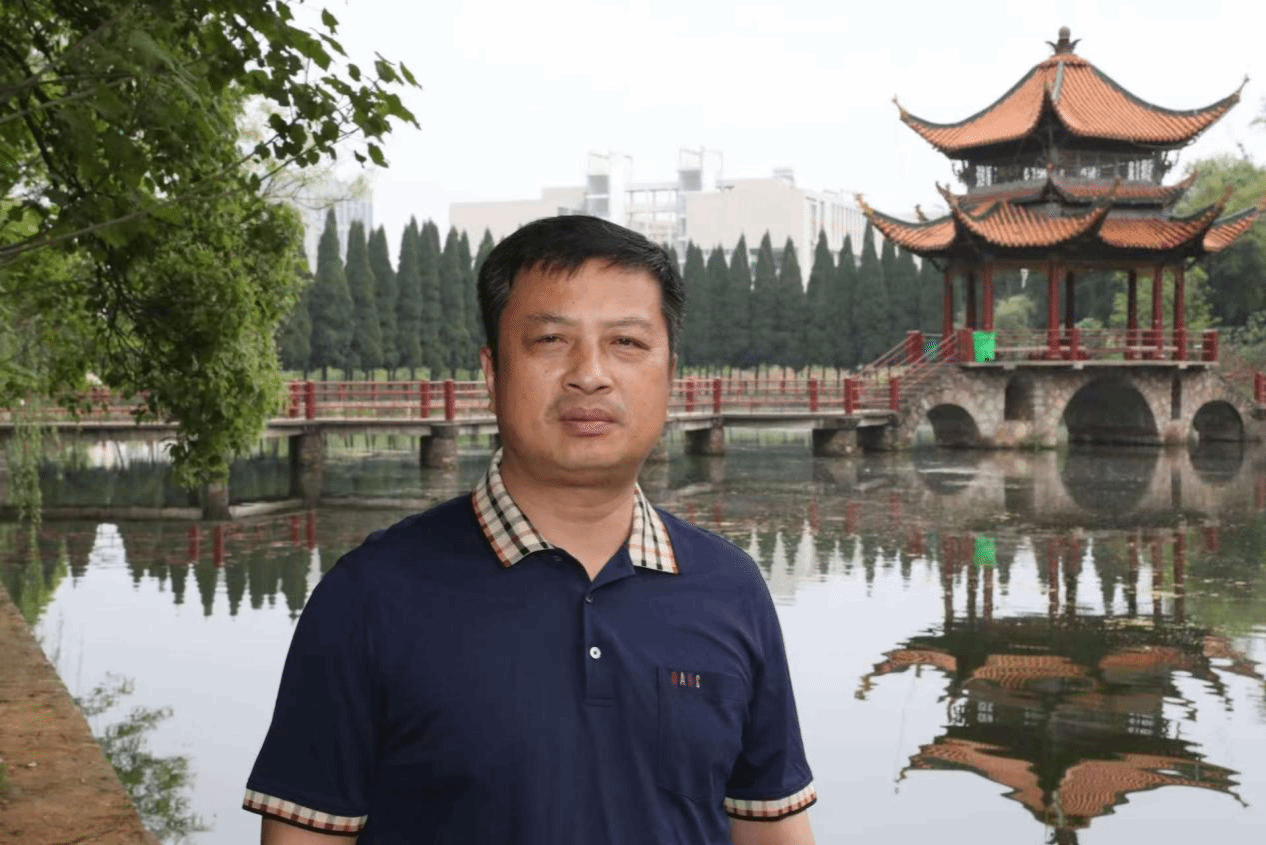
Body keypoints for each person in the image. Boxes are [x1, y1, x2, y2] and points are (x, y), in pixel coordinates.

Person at [243, 215, 816, 844]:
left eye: (627, 342)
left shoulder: (730, 587)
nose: (590, 373)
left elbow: (771, 828)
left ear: (670, 374)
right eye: (550, 339)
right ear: (492, 372)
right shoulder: (369, 596)